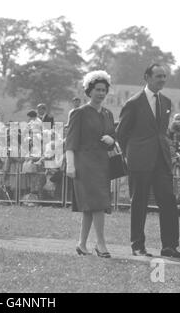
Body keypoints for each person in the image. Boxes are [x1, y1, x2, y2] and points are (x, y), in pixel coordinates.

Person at [116, 63, 180, 258]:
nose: (162, 80)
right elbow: (121, 133)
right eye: (158, 76)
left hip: (161, 159)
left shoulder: (166, 102)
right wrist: (130, 154)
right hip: (139, 160)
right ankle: (138, 246)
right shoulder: (133, 102)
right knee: (139, 202)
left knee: (169, 201)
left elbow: (162, 132)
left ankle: (169, 246)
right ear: (147, 77)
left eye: (164, 76)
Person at [65, 70, 115, 258]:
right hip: (84, 162)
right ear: (89, 91)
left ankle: (82, 244)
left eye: (104, 90)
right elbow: (70, 141)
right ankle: (101, 244)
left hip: (103, 163)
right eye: (97, 90)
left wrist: (112, 139)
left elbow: (113, 134)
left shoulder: (108, 114)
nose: (101, 93)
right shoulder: (79, 113)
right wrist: (70, 165)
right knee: (98, 204)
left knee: (90, 206)